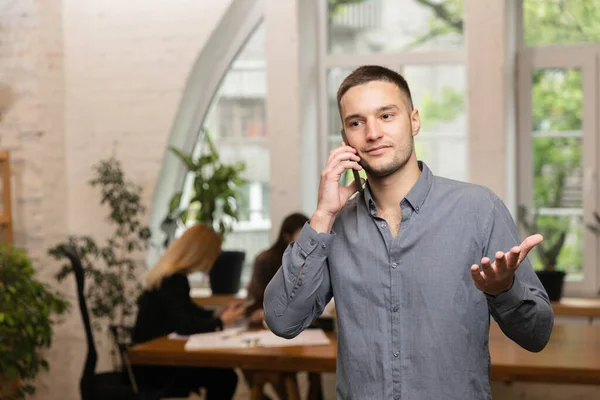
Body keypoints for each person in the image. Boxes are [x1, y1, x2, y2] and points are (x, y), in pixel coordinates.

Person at [263, 65, 554, 399]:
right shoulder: (335, 224)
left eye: (386, 116)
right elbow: (282, 320)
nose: (372, 133)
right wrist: (322, 214)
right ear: (345, 138)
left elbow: (537, 335)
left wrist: (505, 289)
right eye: (356, 122)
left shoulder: (479, 209)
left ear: (414, 121)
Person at [132, 223, 246, 400]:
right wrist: (221, 322)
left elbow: (188, 310)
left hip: (156, 361)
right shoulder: (174, 280)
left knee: (224, 375)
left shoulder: (169, 276)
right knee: (225, 376)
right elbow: (185, 324)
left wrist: (217, 315)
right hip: (157, 366)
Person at [245, 212, 309, 324]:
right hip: (266, 321)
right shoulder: (265, 260)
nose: (307, 243)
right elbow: (255, 300)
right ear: (287, 237)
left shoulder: (310, 260)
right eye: (302, 237)